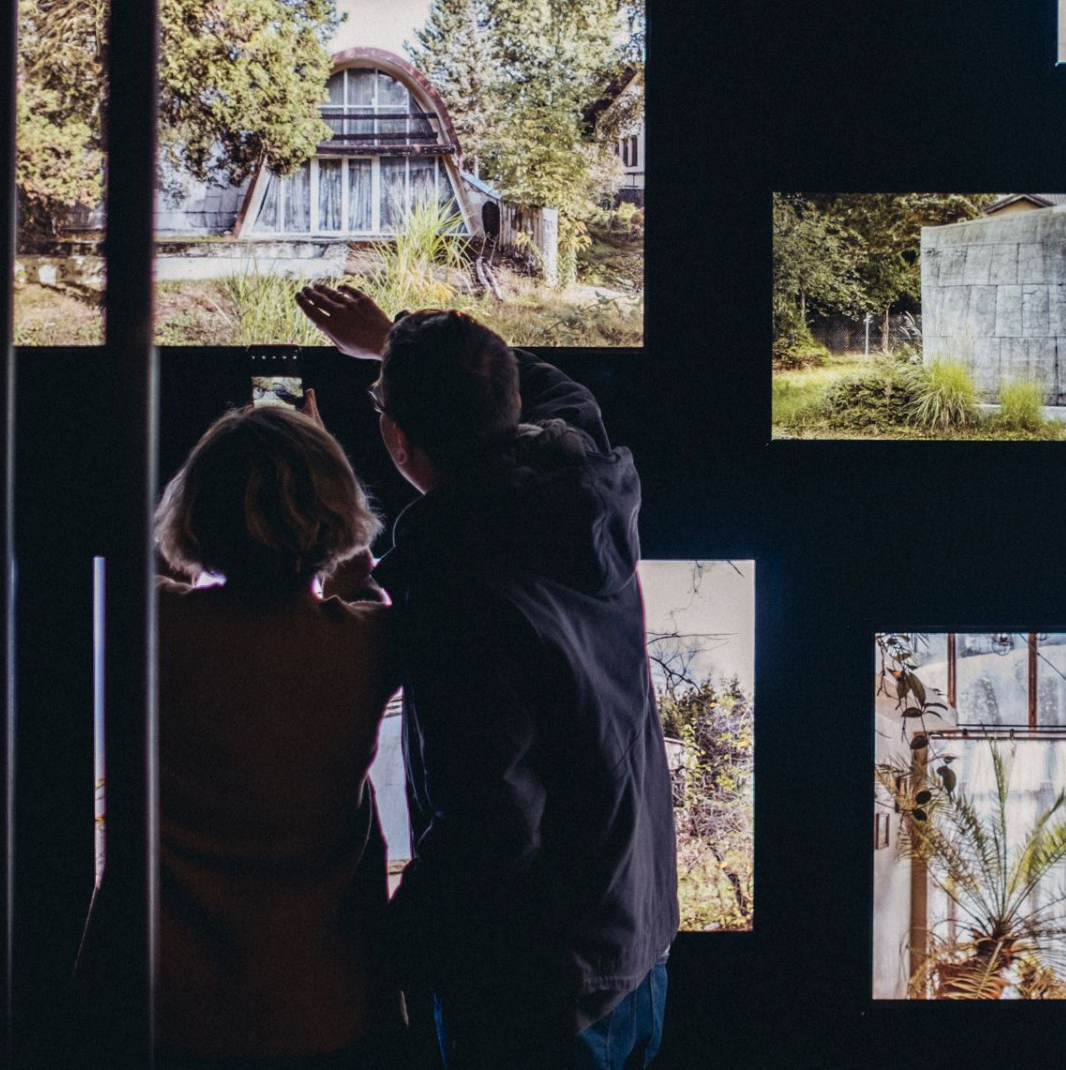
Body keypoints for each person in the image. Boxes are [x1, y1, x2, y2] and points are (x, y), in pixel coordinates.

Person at [295, 284, 678, 1070]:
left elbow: (490, 827)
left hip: (538, 995)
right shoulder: (586, 479)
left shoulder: (457, 592)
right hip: (633, 944)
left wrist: (379, 952)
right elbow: (554, 390)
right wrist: (394, 340)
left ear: (397, 439)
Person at [76, 403, 406, 1068]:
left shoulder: (153, 625)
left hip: (165, 1005)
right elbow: (361, 581)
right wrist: (316, 461)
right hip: (319, 1007)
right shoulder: (370, 642)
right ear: (336, 512)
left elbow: (162, 566)